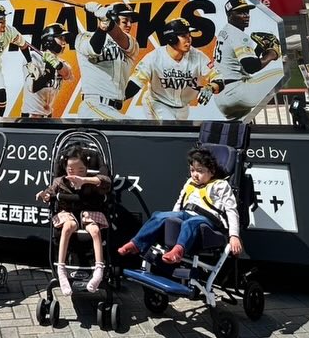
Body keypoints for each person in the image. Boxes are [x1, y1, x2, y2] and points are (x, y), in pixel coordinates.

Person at [118, 147, 242, 264]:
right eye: (192, 170)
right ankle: (137, 244)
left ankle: (178, 251)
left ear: (212, 172)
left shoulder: (220, 185)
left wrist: (234, 236)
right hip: (185, 213)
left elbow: (231, 211)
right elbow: (179, 202)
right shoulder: (190, 183)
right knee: (159, 215)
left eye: (200, 171)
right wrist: (172, 220)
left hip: (208, 220)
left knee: (191, 222)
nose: (195, 175)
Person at [36, 145, 111, 295]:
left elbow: (106, 182)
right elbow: (49, 193)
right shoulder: (60, 181)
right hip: (68, 213)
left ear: (87, 168)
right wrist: (44, 195)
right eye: (71, 170)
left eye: (81, 170)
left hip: (87, 213)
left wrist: (84, 180)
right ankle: (61, 268)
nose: (75, 173)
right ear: (65, 168)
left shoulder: (92, 179)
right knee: (68, 226)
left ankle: (98, 269)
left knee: (95, 230)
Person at [124, 18, 220, 121]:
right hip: (158, 103)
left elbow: (218, 77)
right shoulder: (154, 58)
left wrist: (211, 87)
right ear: (171, 38)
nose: (189, 39)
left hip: (183, 108)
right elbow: (135, 83)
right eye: (183, 36)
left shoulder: (197, 56)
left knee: (175, 135)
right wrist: (119, 99)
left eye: (189, 35)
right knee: (169, 130)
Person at [210, 0, 280, 120]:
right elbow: (251, 67)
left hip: (220, 98)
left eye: (247, 12)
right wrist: (271, 54)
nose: (246, 15)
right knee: (281, 72)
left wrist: (259, 49)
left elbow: (241, 63)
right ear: (230, 15)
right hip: (237, 91)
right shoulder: (239, 35)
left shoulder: (224, 32)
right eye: (240, 12)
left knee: (238, 130)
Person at [75, 2, 140, 120]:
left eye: (131, 21)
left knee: (136, 129)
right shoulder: (84, 37)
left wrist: (107, 22)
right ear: (113, 18)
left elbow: (120, 38)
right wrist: (104, 24)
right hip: (93, 106)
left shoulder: (131, 42)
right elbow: (93, 48)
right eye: (125, 21)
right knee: (134, 129)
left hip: (113, 109)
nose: (130, 25)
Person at [24, 26, 73, 118]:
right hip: (31, 117)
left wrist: (57, 64)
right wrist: (49, 69)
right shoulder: (32, 57)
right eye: (60, 38)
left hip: (48, 115)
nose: (64, 43)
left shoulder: (61, 62)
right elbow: (33, 87)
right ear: (49, 39)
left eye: (64, 39)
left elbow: (68, 75)